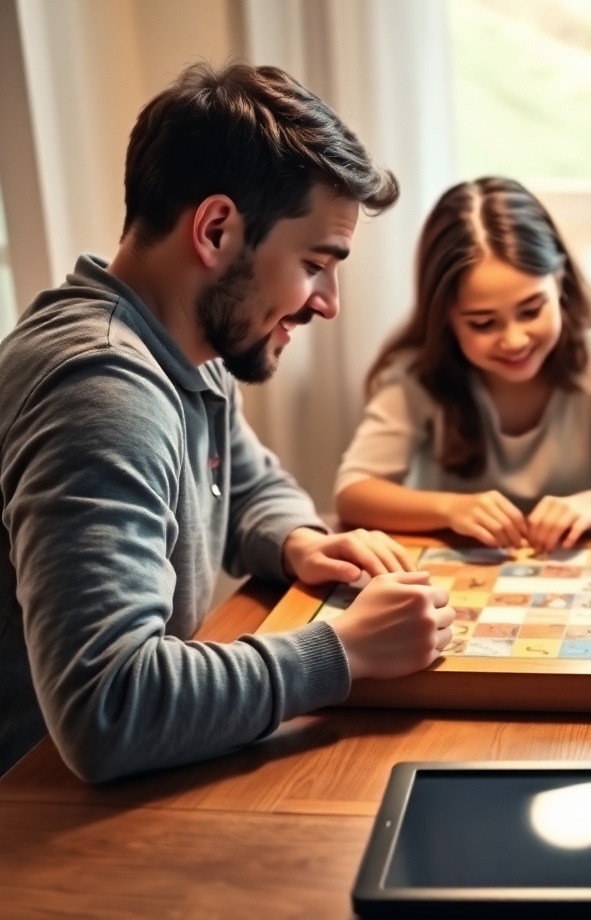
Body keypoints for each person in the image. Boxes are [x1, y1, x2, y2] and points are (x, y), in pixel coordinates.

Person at [0, 62, 455, 782]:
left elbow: (244, 484)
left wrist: (301, 541)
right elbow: (107, 707)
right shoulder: (102, 391)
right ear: (216, 230)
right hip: (33, 807)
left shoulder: (186, 347)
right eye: (316, 263)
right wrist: (345, 650)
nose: (328, 302)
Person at [335, 177, 591, 554]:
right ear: (446, 319)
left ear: (559, 282)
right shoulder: (416, 375)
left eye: (531, 310)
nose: (515, 340)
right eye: (483, 323)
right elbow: (354, 493)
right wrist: (450, 509)